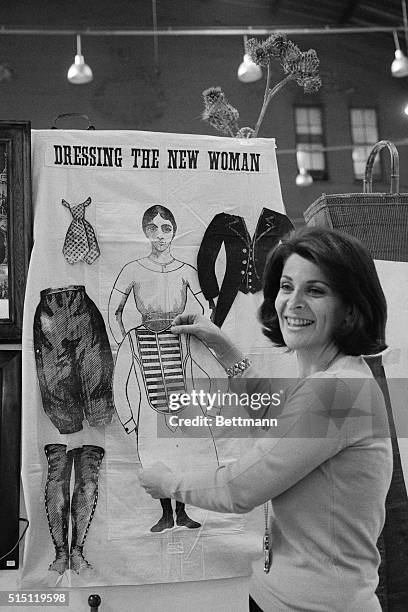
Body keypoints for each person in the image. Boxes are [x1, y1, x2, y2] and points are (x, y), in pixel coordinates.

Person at [139, 226, 392, 611]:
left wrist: (166, 483)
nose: (294, 302)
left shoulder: (337, 392)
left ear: (351, 308)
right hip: (283, 597)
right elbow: (275, 415)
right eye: (287, 287)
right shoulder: (337, 381)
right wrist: (223, 346)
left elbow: (240, 489)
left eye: (316, 290)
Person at [109, 204, 221, 533]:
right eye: (153, 229)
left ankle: (183, 512)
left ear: (174, 231)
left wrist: (196, 331)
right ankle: (165, 513)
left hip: (179, 347)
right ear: (145, 232)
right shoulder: (133, 269)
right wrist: (124, 342)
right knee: (155, 454)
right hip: (145, 362)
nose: (160, 235)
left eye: (166, 228)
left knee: (186, 452)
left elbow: (206, 309)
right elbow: (113, 308)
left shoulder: (186, 270)